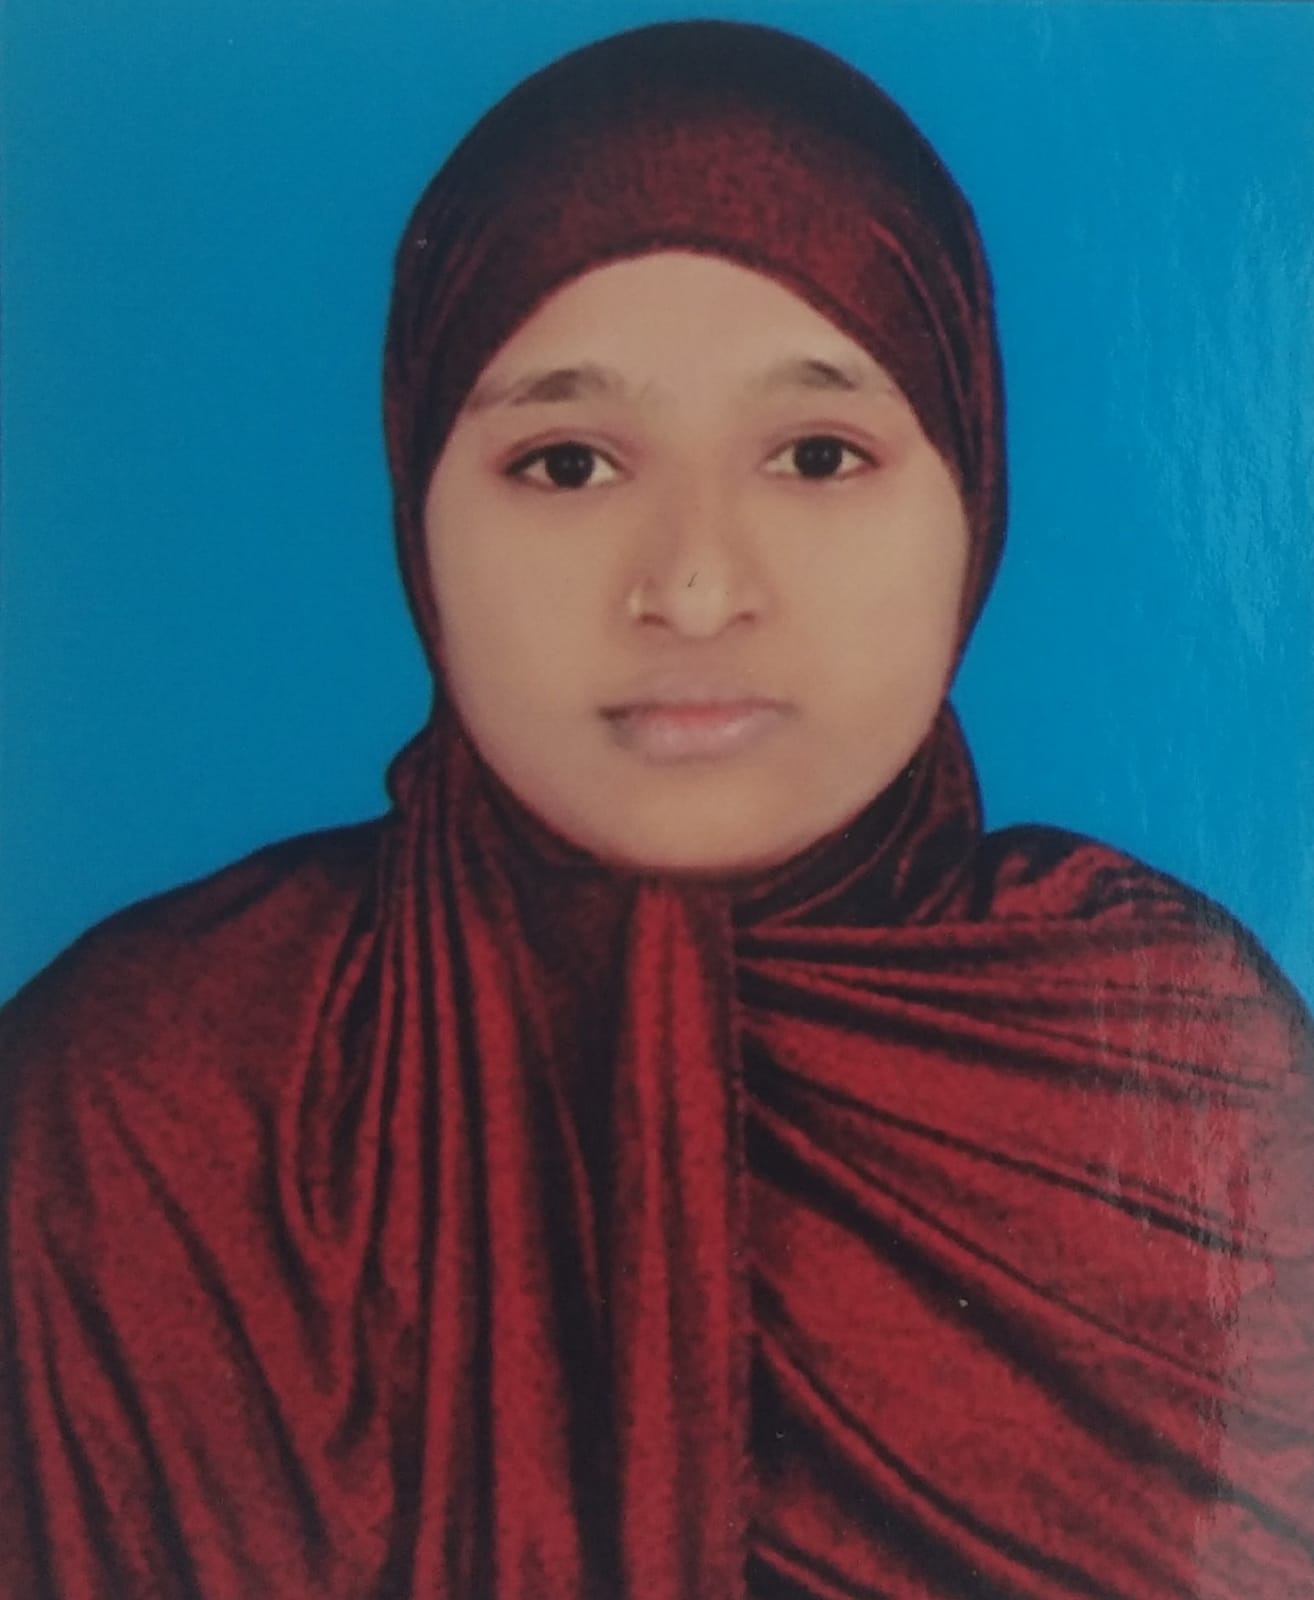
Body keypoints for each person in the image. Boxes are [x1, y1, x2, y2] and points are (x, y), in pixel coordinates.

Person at [2, 19, 1311, 1600]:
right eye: (567, 465)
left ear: (970, 496)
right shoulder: (141, 1103)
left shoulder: (1166, 1050)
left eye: (816, 454)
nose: (691, 587)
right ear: (420, 513)